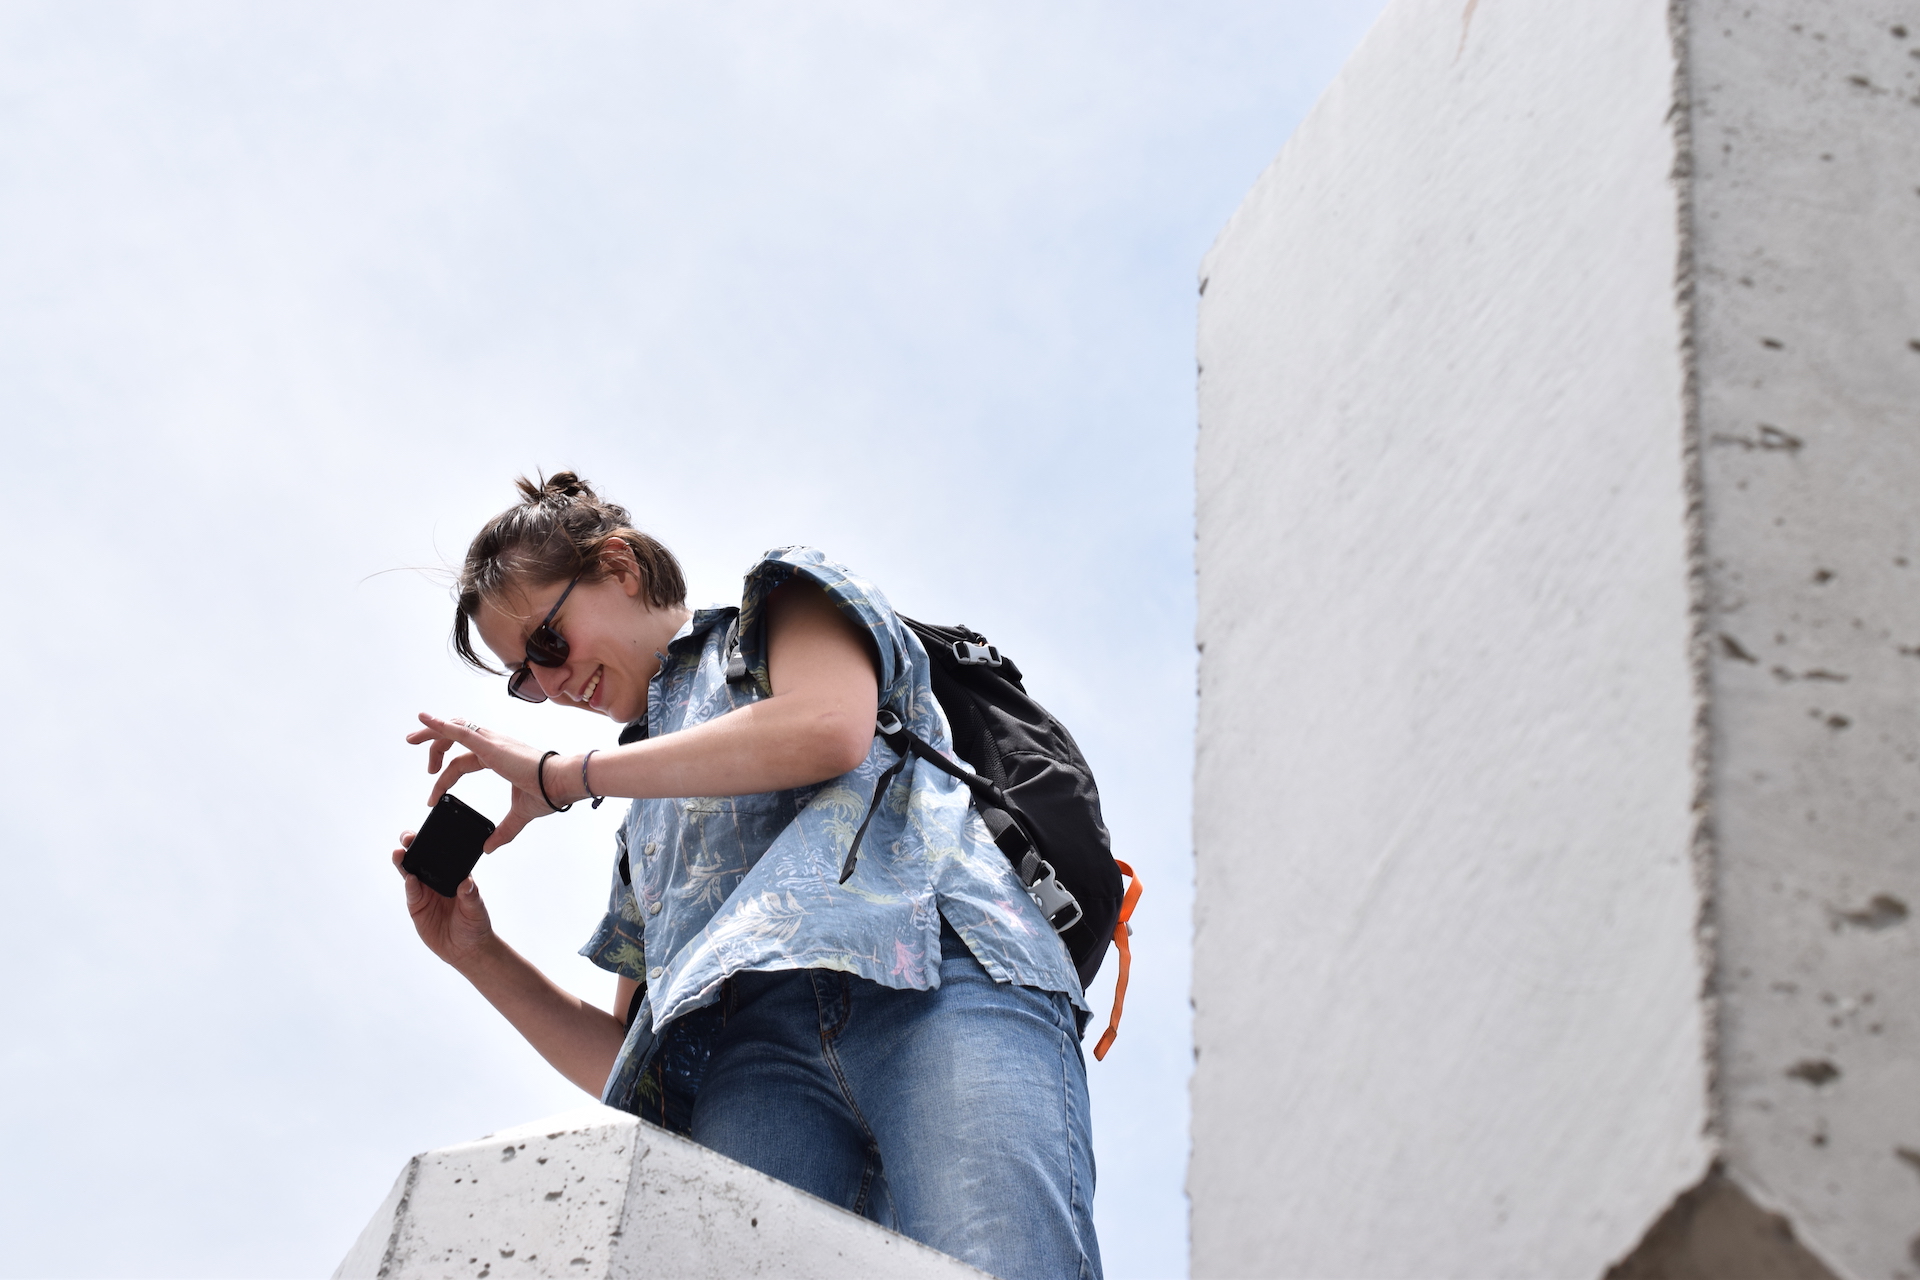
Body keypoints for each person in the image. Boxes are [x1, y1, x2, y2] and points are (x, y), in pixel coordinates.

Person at [391, 471, 1102, 1280]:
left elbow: (829, 727)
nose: (549, 687)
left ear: (618, 566)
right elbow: (631, 1066)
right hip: (747, 1066)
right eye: (524, 675)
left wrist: (565, 776)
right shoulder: (642, 824)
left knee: (1003, 1262)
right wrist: (476, 954)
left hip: (941, 977)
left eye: (546, 644)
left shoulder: (780, 604)